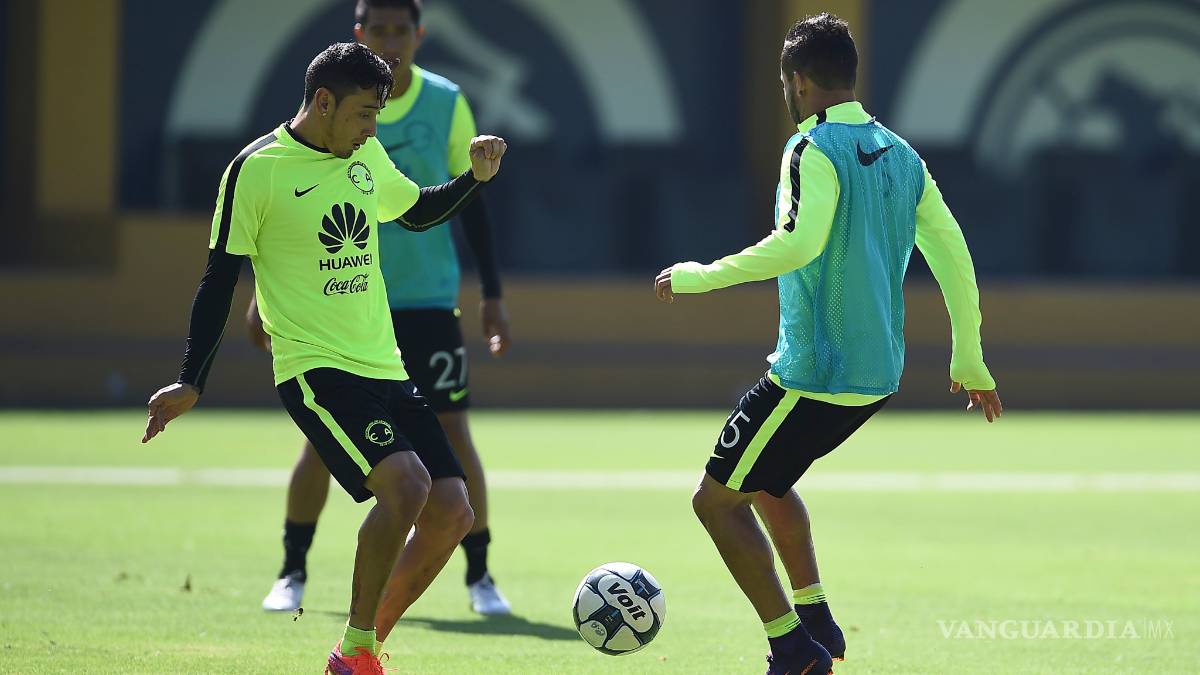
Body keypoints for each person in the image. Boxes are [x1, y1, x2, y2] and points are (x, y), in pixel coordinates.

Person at [141, 41, 508, 674]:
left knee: (453, 511)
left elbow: (418, 212)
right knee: (407, 486)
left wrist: (473, 180)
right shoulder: (256, 169)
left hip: (385, 365)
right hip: (316, 370)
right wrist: (190, 380)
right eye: (365, 113)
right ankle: (356, 650)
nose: (372, 129)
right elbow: (219, 278)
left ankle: (356, 651)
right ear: (323, 102)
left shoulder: (363, 153)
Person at [653, 13, 1002, 675]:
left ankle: (793, 649)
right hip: (877, 377)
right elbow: (952, 252)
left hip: (812, 373)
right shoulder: (902, 153)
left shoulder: (809, 148)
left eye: (786, 83)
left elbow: (799, 244)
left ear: (799, 82)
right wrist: (969, 356)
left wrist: (700, 276)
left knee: (715, 502)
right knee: (768, 481)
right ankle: (815, 618)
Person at [257, 0, 513, 619]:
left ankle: (479, 573)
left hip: (427, 299)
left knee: (453, 434)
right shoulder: (327, 106)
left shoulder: (445, 101)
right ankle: (292, 569)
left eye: (402, 30)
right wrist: (259, 300)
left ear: (420, 35)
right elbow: (281, 217)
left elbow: (463, 197)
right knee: (321, 445)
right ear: (360, 33)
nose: (392, 40)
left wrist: (491, 292)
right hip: (335, 314)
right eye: (380, 30)